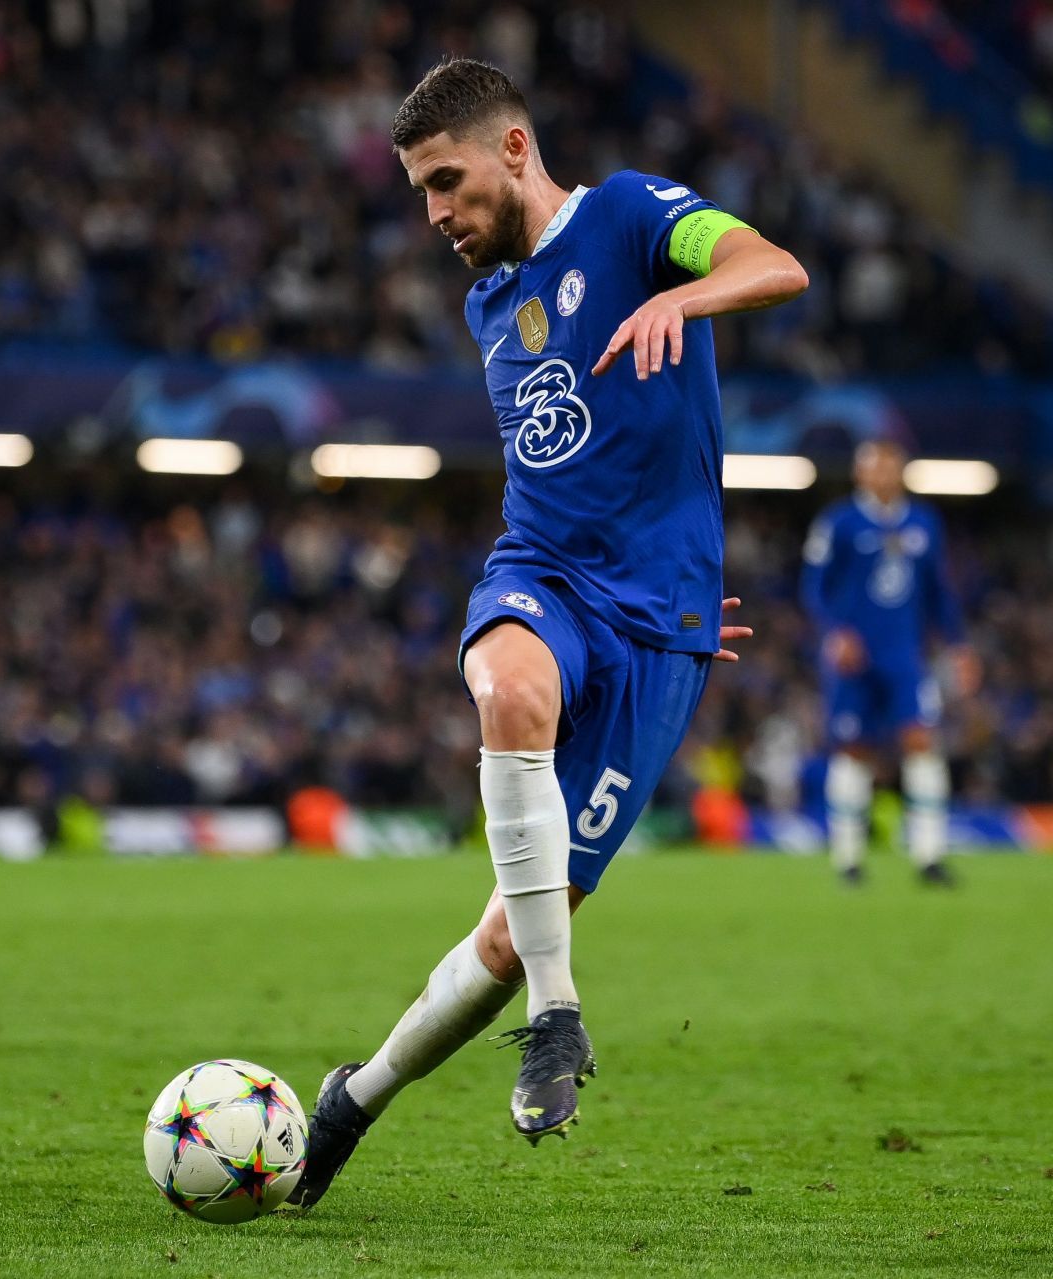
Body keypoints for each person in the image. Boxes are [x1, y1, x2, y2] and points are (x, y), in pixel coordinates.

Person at [289, 57, 807, 1209]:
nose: (434, 215)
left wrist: (682, 295)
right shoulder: (487, 302)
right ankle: (558, 1023)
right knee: (507, 687)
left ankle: (353, 1099)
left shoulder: (630, 216)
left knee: (513, 932)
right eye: (421, 192)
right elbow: (572, 466)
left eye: (447, 182)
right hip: (541, 577)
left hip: (659, 625)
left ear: (514, 149)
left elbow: (773, 265)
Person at [799, 439, 978, 886]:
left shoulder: (924, 523)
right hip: (852, 659)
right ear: (860, 474)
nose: (882, 475)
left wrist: (958, 645)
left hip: (905, 656)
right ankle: (848, 859)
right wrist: (835, 632)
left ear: (901, 472)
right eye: (873, 467)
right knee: (853, 750)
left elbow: (939, 592)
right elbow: (815, 586)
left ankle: (929, 854)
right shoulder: (838, 522)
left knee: (920, 742)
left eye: (889, 467)